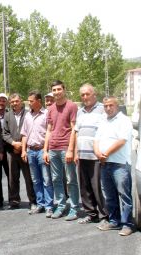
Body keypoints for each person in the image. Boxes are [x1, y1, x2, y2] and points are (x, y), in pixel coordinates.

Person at [93, 96, 134, 236]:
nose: (108, 108)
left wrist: (106, 153)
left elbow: (122, 141)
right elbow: (96, 139)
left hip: (120, 164)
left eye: (111, 105)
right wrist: (98, 153)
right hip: (105, 163)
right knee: (109, 195)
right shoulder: (103, 120)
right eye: (106, 106)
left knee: (124, 195)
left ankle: (127, 224)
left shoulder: (124, 120)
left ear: (117, 105)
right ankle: (114, 220)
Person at [43, 80, 80, 221]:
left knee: (71, 180)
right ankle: (60, 205)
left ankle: (74, 208)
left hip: (66, 149)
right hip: (53, 149)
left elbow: (74, 130)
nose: (57, 92)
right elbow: (49, 130)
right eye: (54, 90)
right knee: (56, 179)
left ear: (64, 89)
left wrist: (71, 150)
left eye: (59, 89)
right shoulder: (51, 109)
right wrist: (45, 150)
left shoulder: (71, 106)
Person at [74, 84, 107, 224]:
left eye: (87, 94)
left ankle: (105, 216)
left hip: (96, 156)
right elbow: (76, 132)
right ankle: (91, 214)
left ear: (94, 94)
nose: (85, 97)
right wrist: (75, 151)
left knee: (98, 187)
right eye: (82, 95)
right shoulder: (80, 111)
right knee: (85, 187)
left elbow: (107, 131)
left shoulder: (102, 109)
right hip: (82, 155)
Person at [21, 91, 54, 215]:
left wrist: (46, 150)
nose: (29, 103)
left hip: (42, 150)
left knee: (46, 179)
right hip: (31, 151)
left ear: (39, 101)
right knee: (35, 180)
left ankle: (49, 206)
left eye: (31, 101)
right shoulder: (27, 115)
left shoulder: (47, 114)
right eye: (28, 101)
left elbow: (49, 133)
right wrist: (24, 150)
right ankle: (40, 204)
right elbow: (24, 134)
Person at [2, 93, 35, 209]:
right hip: (12, 151)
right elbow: (4, 133)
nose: (14, 104)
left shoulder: (29, 114)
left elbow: (32, 131)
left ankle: (33, 201)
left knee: (29, 177)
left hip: (26, 151)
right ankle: (14, 201)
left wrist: (22, 146)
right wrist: (14, 143)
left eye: (16, 101)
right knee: (12, 178)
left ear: (21, 101)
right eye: (12, 102)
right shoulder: (7, 115)